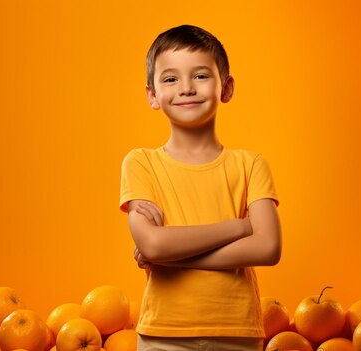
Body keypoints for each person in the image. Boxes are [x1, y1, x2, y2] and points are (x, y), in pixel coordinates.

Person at [119, 24, 282, 351]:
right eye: (170, 79)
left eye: (201, 76)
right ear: (152, 95)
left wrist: (173, 256)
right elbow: (152, 246)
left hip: (237, 331)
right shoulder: (140, 163)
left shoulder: (251, 165)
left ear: (227, 87)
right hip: (162, 333)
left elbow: (268, 248)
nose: (186, 88)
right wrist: (241, 226)